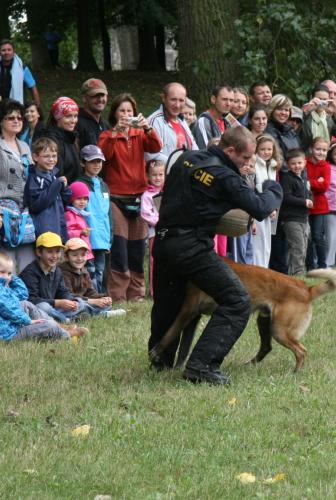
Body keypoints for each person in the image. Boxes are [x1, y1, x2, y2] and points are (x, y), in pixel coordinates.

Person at [148, 126, 283, 384]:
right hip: (192, 246)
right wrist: (273, 189)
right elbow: (260, 207)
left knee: (168, 303)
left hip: (164, 240)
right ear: (229, 150)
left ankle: (160, 362)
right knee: (237, 300)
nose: (248, 163)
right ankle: (202, 365)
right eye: (245, 158)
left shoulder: (186, 158)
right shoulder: (223, 176)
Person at [98, 93, 162, 302]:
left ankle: (137, 293)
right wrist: (115, 132)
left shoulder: (139, 134)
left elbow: (156, 147)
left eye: (129, 111)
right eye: (122, 111)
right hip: (116, 197)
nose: (126, 115)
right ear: (114, 113)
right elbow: (103, 155)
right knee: (119, 247)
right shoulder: (107, 135)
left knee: (136, 248)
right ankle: (118, 295)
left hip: (139, 197)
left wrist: (147, 127)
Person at [0, 252, 85, 342]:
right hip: (4, 334)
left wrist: (13, 278)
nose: (6, 277)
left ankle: (59, 326)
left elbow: (22, 294)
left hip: (9, 326)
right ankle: (64, 334)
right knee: (48, 326)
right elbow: (8, 309)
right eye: (2, 272)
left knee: (26, 304)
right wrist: (27, 321)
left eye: (9, 273)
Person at [0, 99, 34, 270]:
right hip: (3, 211)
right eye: (11, 118)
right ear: (0, 120)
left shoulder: (24, 145)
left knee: (27, 261)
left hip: (24, 212)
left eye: (19, 117)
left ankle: (28, 295)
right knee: (5, 263)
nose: (16, 121)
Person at [20, 232, 87, 323]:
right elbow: (31, 300)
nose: (54, 256)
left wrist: (70, 301)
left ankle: (60, 317)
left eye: (57, 251)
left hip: (53, 308)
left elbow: (63, 291)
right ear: (39, 252)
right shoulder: (30, 272)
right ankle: (66, 320)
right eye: (50, 251)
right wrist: (57, 302)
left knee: (80, 303)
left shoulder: (57, 270)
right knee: (44, 307)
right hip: (36, 310)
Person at [76, 145, 111, 293]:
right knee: (89, 272)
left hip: (103, 239)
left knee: (101, 272)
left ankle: (101, 298)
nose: (97, 165)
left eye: (99, 161)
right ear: (83, 163)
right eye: (92, 161)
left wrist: (110, 238)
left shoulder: (104, 185)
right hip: (87, 238)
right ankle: (90, 298)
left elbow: (108, 215)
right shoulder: (79, 184)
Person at [60, 238, 126, 318]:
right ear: (66, 257)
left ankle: (96, 313)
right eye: (75, 255)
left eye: (83, 255)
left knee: (104, 304)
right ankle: (99, 315)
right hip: (72, 303)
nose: (79, 258)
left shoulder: (84, 271)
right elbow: (69, 296)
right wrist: (93, 301)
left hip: (85, 301)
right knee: (80, 304)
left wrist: (102, 297)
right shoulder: (63, 272)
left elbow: (90, 291)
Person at [24, 137, 70, 241]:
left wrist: (65, 188)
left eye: (54, 156)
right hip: (44, 229)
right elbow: (36, 205)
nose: (51, 160)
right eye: (46, 156)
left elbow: (65, 200)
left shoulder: (53, 176)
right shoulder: (34, 178)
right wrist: (56, 185)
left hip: (58, 225)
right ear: (35, 157)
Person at [278, 149, 312, 275]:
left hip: (304, 218)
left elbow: (309, 193)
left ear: (304, 162)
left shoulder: (303, 177)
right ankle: (297, 274)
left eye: (299, 163)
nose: (297, 166)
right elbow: (286, 197)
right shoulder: (287, 178)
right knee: (297, 247)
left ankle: (299, 271)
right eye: (293, 164)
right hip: (291, 219)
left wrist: (310, 199)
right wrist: (304, 202)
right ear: (288, 164)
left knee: (303, 247)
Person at [146, 82, 197, 161]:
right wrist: (177, 165)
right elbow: (151, 155)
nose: (177, 105)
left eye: (181, 100)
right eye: (173, 99)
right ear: (163, 98)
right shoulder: (155, 121)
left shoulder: (182, 121)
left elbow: (194, 148)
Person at [35, 96, 81, 182]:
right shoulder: (51, 140)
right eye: (68, 116)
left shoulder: (71, 138)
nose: (73, 120)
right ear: (57, 117)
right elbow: (55, 174)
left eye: (75, 116)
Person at [251, 134, 281, 267]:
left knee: (267, 242)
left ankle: (265, 268)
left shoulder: (273, 166)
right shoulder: (254, 165)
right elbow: (255, 189)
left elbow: (275, 190)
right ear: (256, 149)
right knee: (258, 243)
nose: (266, 152)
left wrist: (273, 208)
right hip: (258, 208)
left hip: (270, 210)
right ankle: (258, 268)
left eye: (269, 149)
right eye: (263, 149)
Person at [0, 40, 40, 106]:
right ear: (0, 52)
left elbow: (32, 87)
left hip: (16, 108)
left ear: (13, 51)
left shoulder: (22, 68)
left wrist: (37, 107)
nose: (6, 52)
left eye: (9, 50)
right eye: (3, 50)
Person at [140, 157, 166, 297]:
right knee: (154, 261)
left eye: (160, 175)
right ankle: (155, 290)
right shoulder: (147, 195)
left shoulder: (168, 191)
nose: (157, 178)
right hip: (154, 233)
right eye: (154, 175)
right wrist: (160, 222)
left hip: (169, 232)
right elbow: (146, 214)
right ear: (148, 176)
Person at [306, 137, 331, 269]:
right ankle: (309, 265)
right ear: (311, 149)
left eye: (324, 150)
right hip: (306, 205)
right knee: (308, 237)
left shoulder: (326, 166)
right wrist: (317, 182)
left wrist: (310, 183)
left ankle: (322, 264)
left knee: (318, 235)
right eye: (318, 149)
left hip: (320, 207)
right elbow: (302, 183)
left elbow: (325, 186)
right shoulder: (304, 163)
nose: (320, 152)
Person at [299, 84, 336, 150]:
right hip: (306, 156)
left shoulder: (328, 118)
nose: (321, 102)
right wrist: (306, 111)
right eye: (319, 99)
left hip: (324, 156)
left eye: (325, 100)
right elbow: (296, 130)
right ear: (312, 98)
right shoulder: (305, 115)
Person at [193, 85, 234, 149]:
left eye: (231, 100)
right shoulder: (204, 121)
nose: (228, 103)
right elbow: (206, 151)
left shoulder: (228, 120)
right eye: (224, 99)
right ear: (213, 99)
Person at [76, 78, 110, 148]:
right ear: (84, 98)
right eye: (95, 96)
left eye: (102, 95)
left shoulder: (105, 125)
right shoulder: (76, 123)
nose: (100, 99)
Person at [65, 180, 93, 258]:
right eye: (79, 198)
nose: (82, 202)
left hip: (84, 252)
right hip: (76, 253)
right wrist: (80, 232)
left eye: (85, 199)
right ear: (72, 199)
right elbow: (68, 233)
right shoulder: (70, 214)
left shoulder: (81, 214)